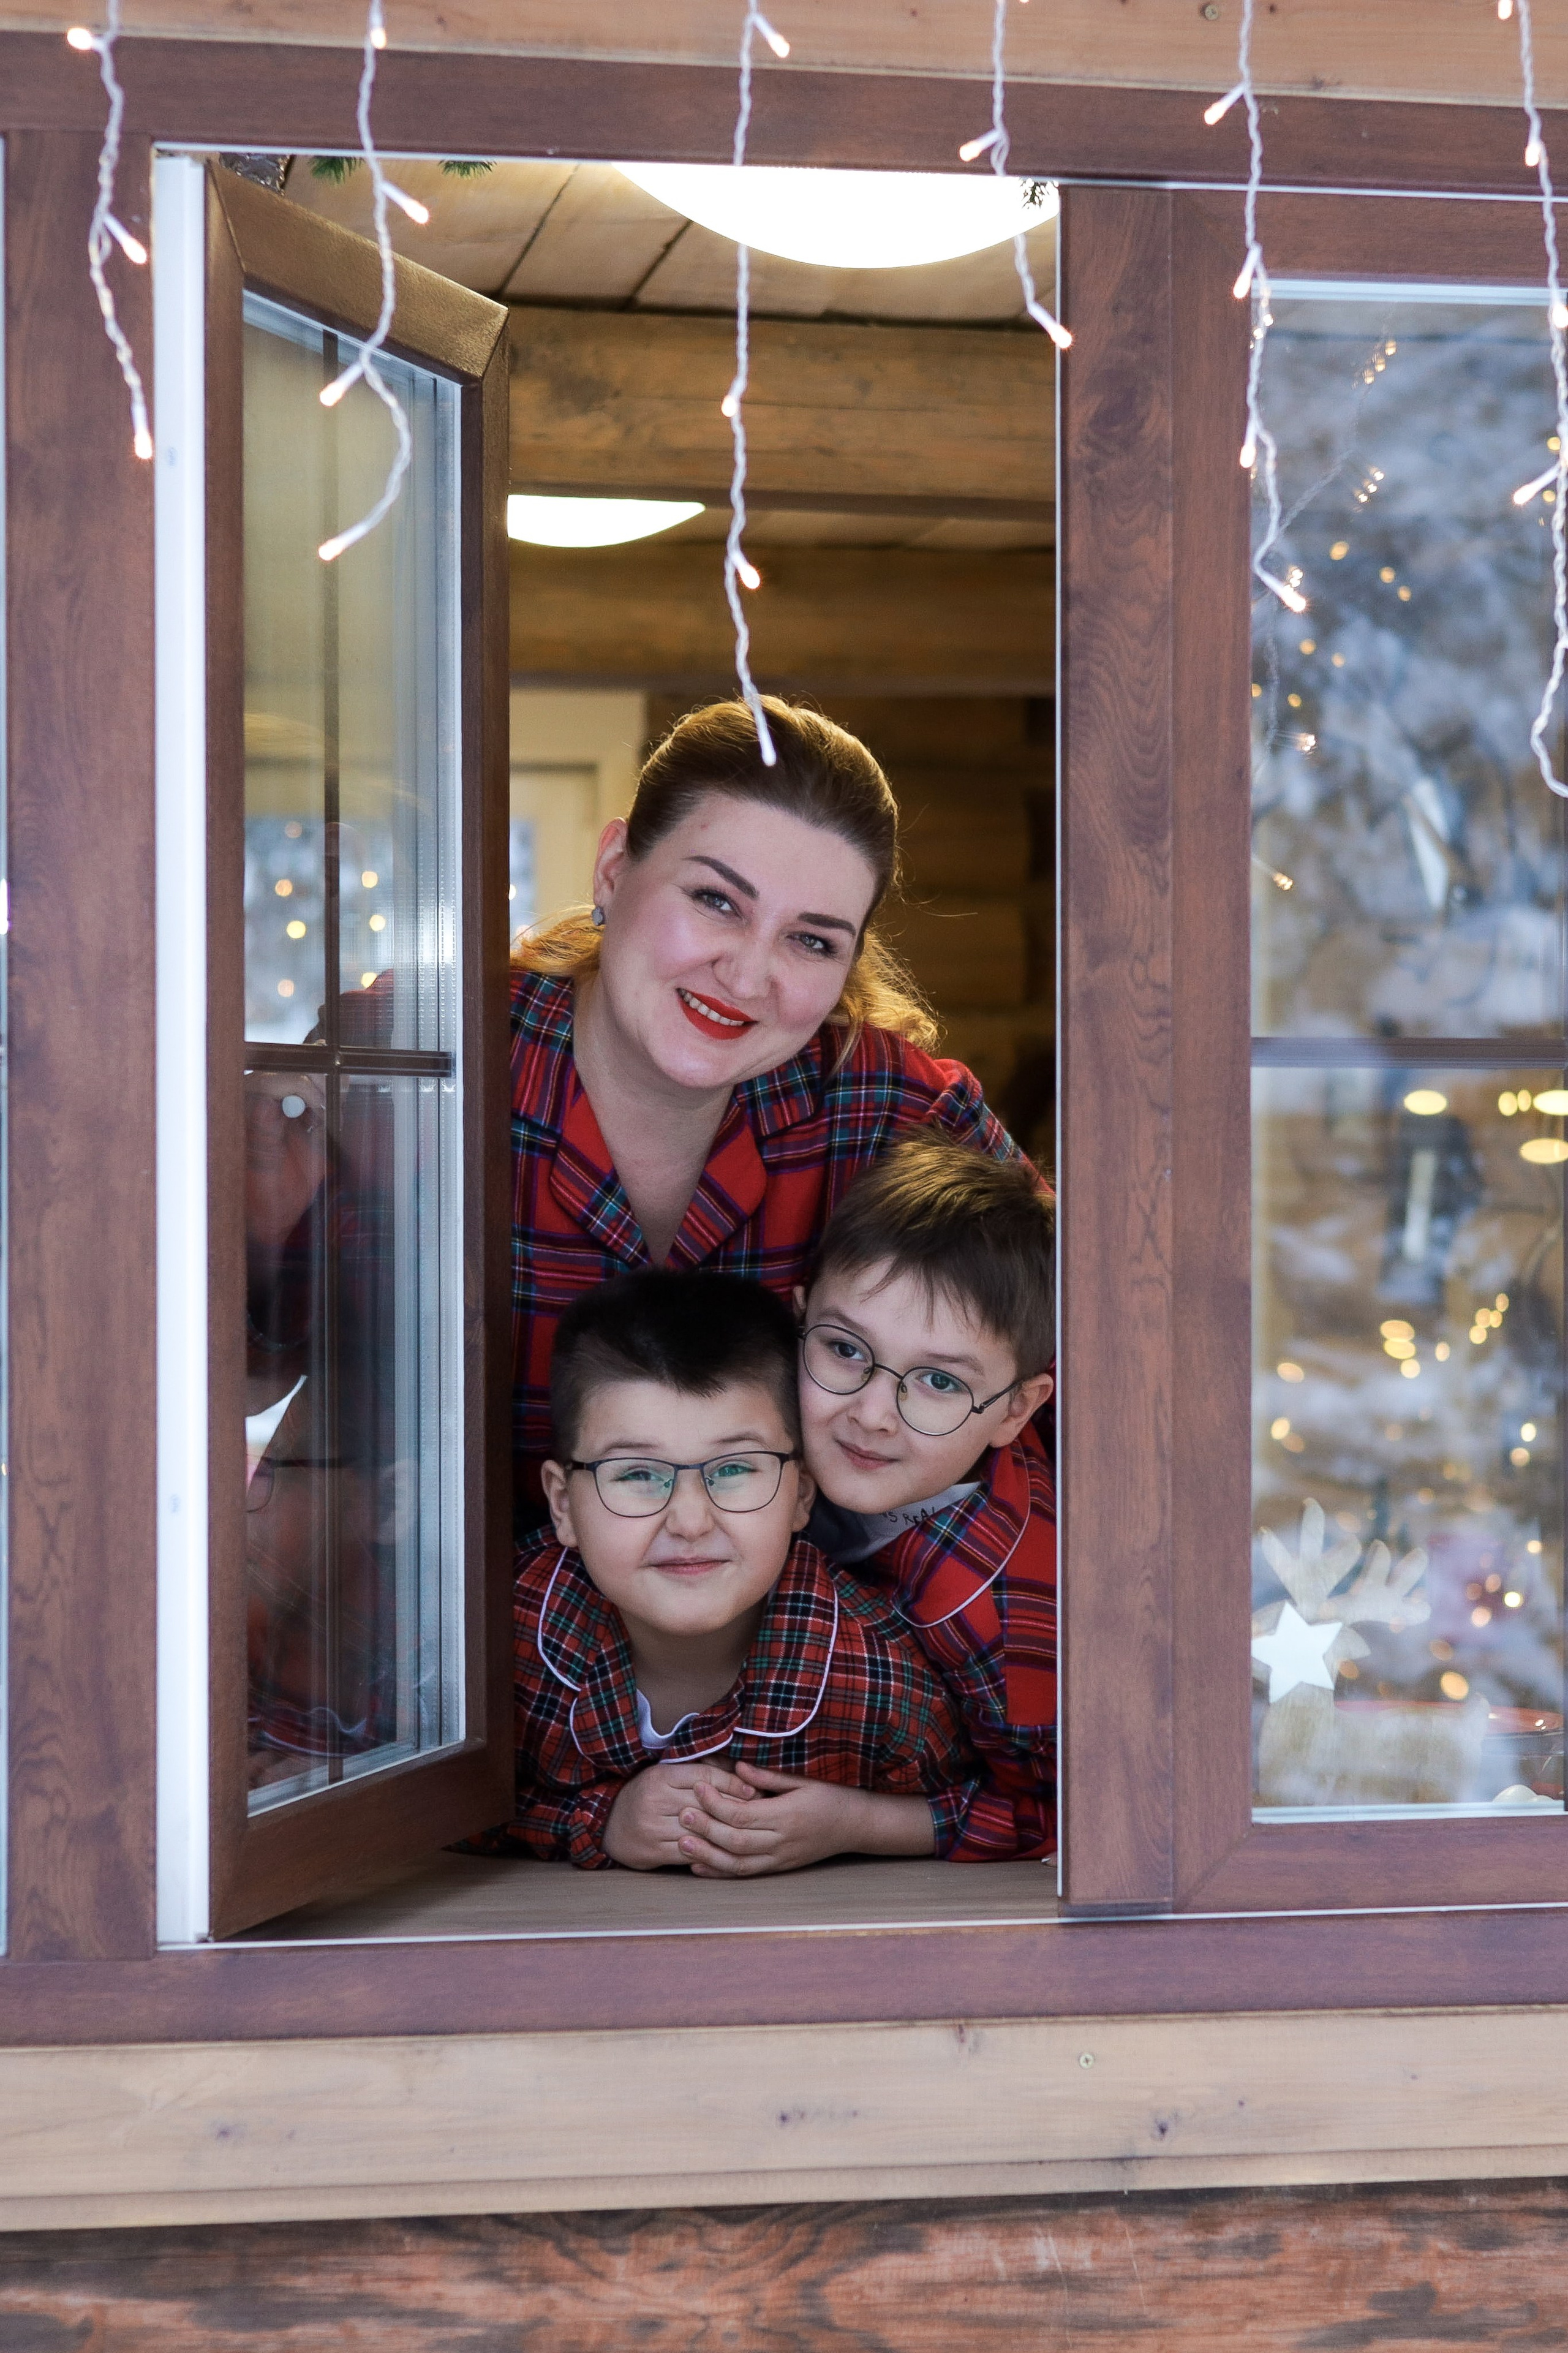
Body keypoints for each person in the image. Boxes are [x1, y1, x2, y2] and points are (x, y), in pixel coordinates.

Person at [509, 696, 1023, 1522]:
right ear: (613, 870)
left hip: (806, 1605)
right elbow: (278, 1369)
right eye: (717, 900)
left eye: (811, 940)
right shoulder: (438, 1062)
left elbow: (1086, 1376)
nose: (748, 977)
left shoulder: (893, 1109)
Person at [477, 1270, 976, 1871]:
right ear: (563, 1505)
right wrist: (596, 1822)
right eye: (637, 1473)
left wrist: (855, 1824)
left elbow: (988, 1810)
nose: (690, 1521)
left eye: (735, 1468)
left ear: (801, 1495)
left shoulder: (882, 1685)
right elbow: (426, 1814)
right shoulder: (492, 1651)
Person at [686, 1138, 1057, 1868]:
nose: (873, 1414)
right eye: (846, 1350)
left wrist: (857, 1823)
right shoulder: (761, 1443)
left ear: (1016, 1409)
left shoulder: (998, 1619)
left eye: (940, 1382)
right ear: (799, 1318)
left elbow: (1063, 1813)